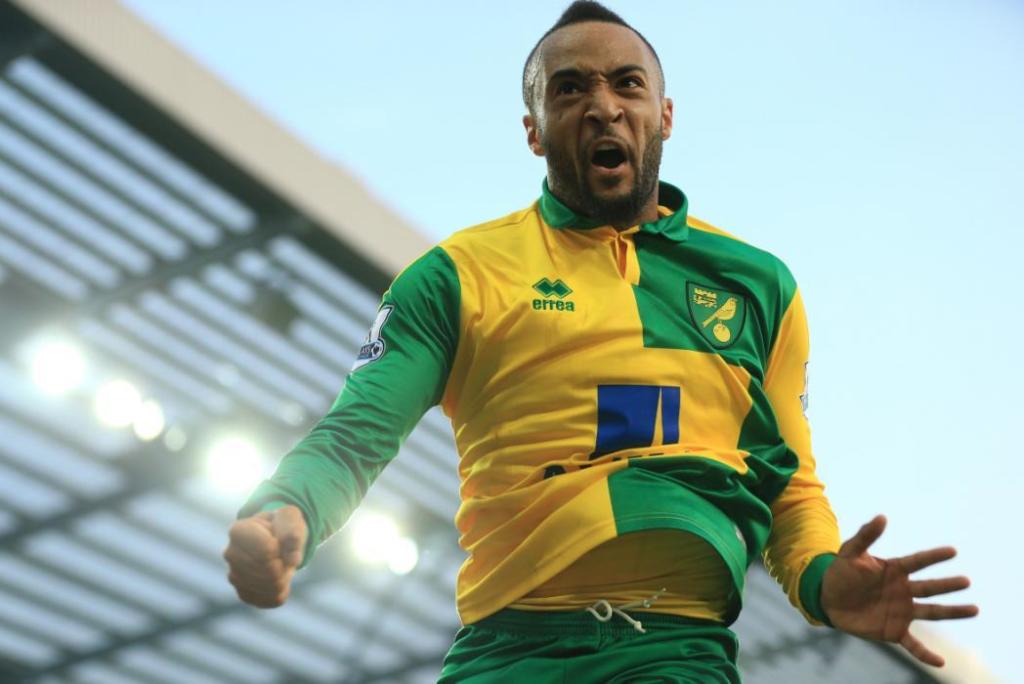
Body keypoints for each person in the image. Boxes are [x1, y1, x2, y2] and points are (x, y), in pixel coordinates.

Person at [223, 2, 978, 681]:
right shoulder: (457, 276)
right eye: (570, 88)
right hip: (507, 649)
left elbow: (787, 481)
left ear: (666, 114)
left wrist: (819, 579)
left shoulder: (760, 287)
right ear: (533, 129)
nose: (602, 107)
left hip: (676, 649)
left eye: (627, 85)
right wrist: (290, 508)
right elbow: (359, 430)